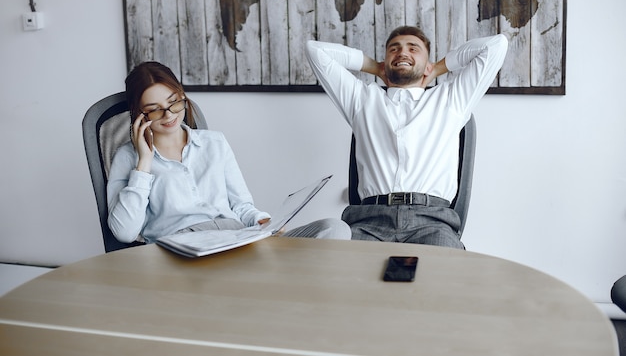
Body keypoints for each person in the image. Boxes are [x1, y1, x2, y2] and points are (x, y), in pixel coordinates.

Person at [306, 27, 508, 249]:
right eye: (394, 49)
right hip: (368, 222)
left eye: (414, 49)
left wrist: (437, 68)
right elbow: (315, 51)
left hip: (432, 223)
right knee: (342, 275)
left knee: (447, 277)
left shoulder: (452, 99)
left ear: (426, 61)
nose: (402, 53)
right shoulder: (362, 99)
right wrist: (374, 67)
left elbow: (496, 45)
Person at [107, 61, 351, 244]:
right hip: (183, 248)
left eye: (174, 102)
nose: (169, 114)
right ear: (139, 114)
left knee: (335, 229)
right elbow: (124, 233)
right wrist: (144, 164)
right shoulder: (129, 158)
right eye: (155, 110)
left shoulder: (215, 142)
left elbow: (242, 206)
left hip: (237, 237)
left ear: (182, 96)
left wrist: (264, 222)